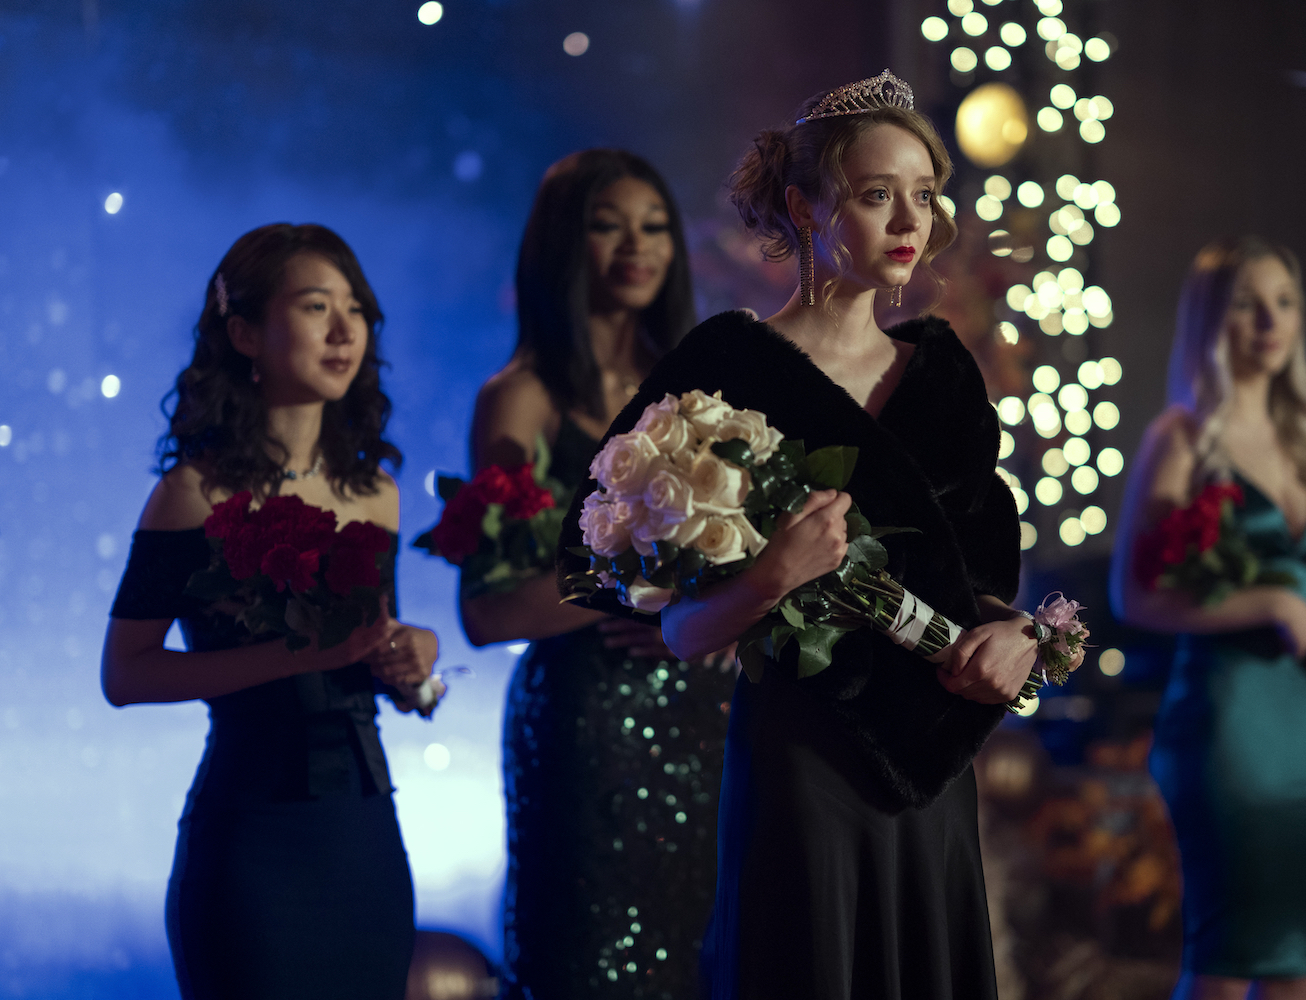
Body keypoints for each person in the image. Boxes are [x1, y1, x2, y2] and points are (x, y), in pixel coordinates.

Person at [557, 72, 1065, 999]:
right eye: (877, 196)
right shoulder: (728, 366)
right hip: (801, 766)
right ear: (803, 204)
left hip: (931, 770)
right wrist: (767, 580)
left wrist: (1021, 635)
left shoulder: (946, 373)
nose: (909, 221)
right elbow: (669, 625)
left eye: (924, 195)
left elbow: (982, 589)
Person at [102, 223, 438, 999]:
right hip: (252, 838)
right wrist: (299, 656)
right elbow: (125, 673)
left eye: (354, 308)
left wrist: (415, 658)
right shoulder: (194, 492)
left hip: (364, 834)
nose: (345, 330)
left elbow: (372, 645)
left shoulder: (375, 492)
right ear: (245, 332)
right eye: (317, 307)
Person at [461, 149, 732, 999]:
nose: (636, 247)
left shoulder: (704, 387)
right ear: (561, 245)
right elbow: (487, 612)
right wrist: (647, 580)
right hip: (586, 727)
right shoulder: (521, 399)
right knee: (587, 961)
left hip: (704, 714)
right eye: (607, 225)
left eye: (653, 226)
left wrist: (734, 612)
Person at [1110, 236, 1306, 1000]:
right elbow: (1133, 597)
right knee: (1225, 958)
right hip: (1227, 726)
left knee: (1294, 963)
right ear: (1212, 319)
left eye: (1284, 302)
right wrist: (1271, 603)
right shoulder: (1179, 440)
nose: (1269, 321)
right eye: (1248, 303)